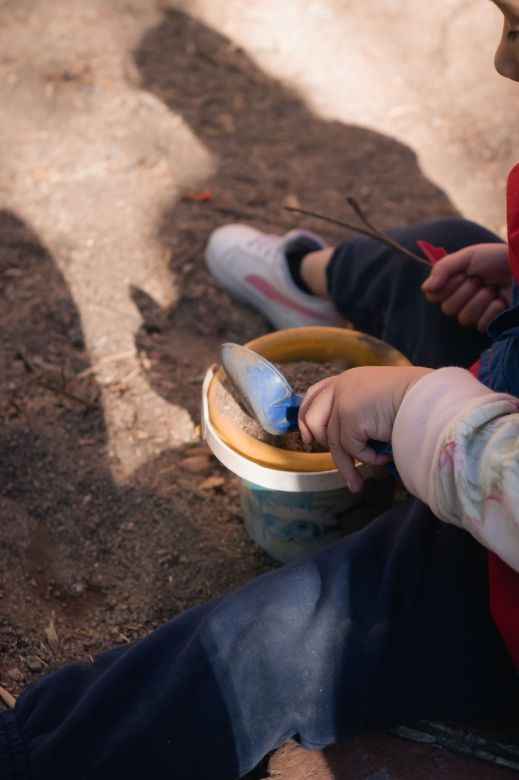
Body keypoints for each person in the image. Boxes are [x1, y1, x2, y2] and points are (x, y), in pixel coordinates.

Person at [1, 1, 519, 778]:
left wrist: (418, 412)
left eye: (518, 33)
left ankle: (36, 754)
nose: (502, 65)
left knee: (286, 633)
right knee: (442, 257)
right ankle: (314, 279)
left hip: (498, 571)